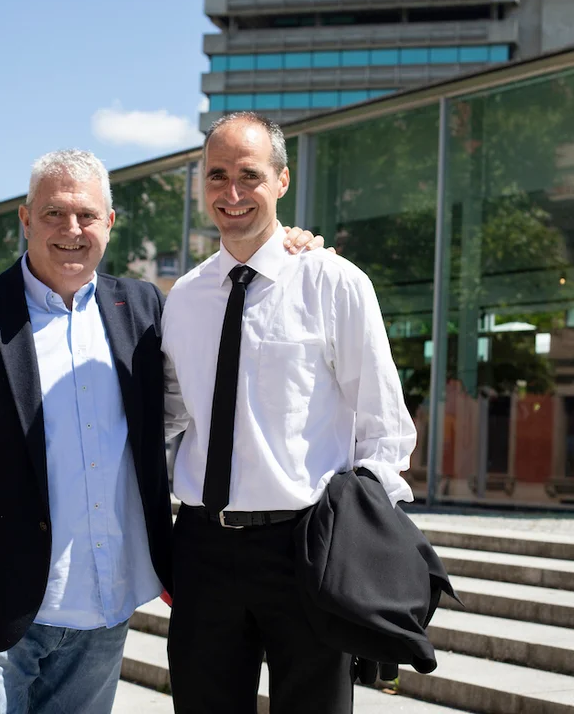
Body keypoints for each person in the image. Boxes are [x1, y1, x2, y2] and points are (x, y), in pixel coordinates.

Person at [0, 149, 321, 714]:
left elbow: (210, 373)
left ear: (110, 223)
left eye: (87, 215)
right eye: (54, 213)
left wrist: (285, 247)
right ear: (25, 219)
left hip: (104, 611)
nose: (71, 230)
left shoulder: (143, 307)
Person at [161, 113, 417, 714]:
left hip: (305, 546)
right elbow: (168, 419)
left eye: (249, 175)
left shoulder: (335, 282)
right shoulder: (184, 299)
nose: (231, 192)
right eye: (217, 175)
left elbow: (384, 428)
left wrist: (358, 543)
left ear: (281, 180)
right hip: (201, 547)